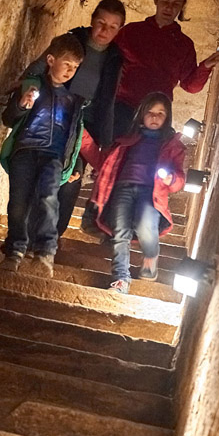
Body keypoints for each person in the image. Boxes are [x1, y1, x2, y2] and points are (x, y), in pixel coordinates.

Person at [22, 0, 127, 236]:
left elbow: (108, 102)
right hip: (54, 117)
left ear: (119, 30)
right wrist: (27, 87)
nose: (104, 31)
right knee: (43, 174)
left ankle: (52, 238)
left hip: (84, 128)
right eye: (101, 22)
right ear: (92, 20)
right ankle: (27, 235)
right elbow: (38, 67)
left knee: (71, 181)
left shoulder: (115, 59)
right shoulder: (72, 40)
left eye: (112, 27)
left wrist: (106, 146)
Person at [0, 33, 86, 278]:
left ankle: (45, 250)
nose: (70, 71)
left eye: (75, 67)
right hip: (25, 150)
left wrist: (75, 161)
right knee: (18, 202)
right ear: (50, 60)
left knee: (48, 198)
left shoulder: (73, 100)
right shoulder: (32, 85)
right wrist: (21, 104)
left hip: (54, 156)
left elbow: (75, 136)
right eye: (66, 64)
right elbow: (8, 119)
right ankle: (14, 251)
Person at [81, 92, 185, 294]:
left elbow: (179, 179)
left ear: (167, 118)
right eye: (150, 112)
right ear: (141, 115)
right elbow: (101, 160)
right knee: (121, 233)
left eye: (160, 113)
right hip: (123, 189)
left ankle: (150, 256)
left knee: (146, 226)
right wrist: (81, 133)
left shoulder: (173, 146)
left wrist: (170, 179)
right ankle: (121, 279)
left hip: (151, 194)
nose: (154, 117)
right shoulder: (126, 141)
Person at [112, 0, 219, 137]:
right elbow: (108, 63)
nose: (169, 8)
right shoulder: (131, 32)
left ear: (182, 6)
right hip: (123, 109)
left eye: (176, 4)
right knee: (113, 159)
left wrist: (205, 67)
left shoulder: (184, 45)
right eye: (165, 1)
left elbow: (190, 85)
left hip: (158, 117)